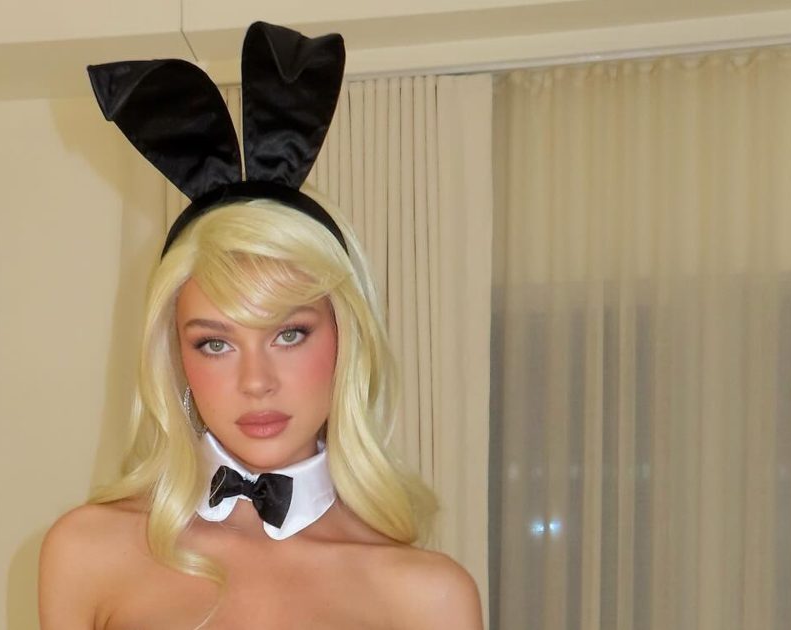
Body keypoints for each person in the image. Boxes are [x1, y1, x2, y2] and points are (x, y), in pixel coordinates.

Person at [39, 22, 483, 630]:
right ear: (176, 359)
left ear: (346, 339)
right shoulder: (85, 553)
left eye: (288, 334)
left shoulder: (428, 596)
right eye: (215, 343)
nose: (256, 381)